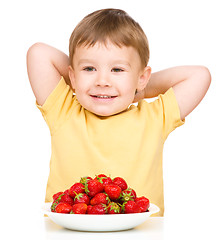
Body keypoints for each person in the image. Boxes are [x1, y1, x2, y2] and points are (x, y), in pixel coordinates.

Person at [26, 8, 211, 216]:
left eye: (117, 70)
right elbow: (38, 53)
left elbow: (199, 75)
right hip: (67, 232)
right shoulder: (64, 111)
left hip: (141, 233)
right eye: (89, 69)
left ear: (142, 77)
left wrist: (139, 90)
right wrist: (82, 82)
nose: (102, 82)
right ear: (73, 76)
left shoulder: (154, 118)